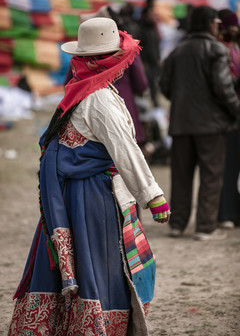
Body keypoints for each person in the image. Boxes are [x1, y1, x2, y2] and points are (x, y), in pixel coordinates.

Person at [8, 17, 170, 335]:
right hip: (92, 196)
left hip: (74, 194)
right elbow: (125, 150)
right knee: (101, 263)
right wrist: (153, 195)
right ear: (106, 61)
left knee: (88, 265)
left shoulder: (81, 89)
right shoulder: (99, 98)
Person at [160, 6, 240, 241]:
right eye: (216, 22)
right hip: (210, 125)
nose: (218, 26)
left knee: (181, 176)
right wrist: (236, 110)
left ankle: (177, 224)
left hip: (181, 122)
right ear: (209, 24)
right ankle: (205, 227)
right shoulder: (216, 49)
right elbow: (223, 88)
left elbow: (164, 86)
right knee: (211, 176)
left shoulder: (178, 50)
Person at [217, 9, 240, 228]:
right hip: (228, 115)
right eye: (232, 25)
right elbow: (224, 86)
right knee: (228, 166)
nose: (236, 28)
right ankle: (225, 213)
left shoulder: (233, 47)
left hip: (233, 113)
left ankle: (232, 211)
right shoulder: (220, 50)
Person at [138, 6, 161, 107]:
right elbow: (140, 46)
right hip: (146, 63)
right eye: (151, 14)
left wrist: (158, 58)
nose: (153, 16)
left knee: (155, 84)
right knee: (147, 84)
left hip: (154, 61)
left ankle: (155, 103)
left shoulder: (153, 28)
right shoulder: (141, 28)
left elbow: (156, 45)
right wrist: (142, 62)